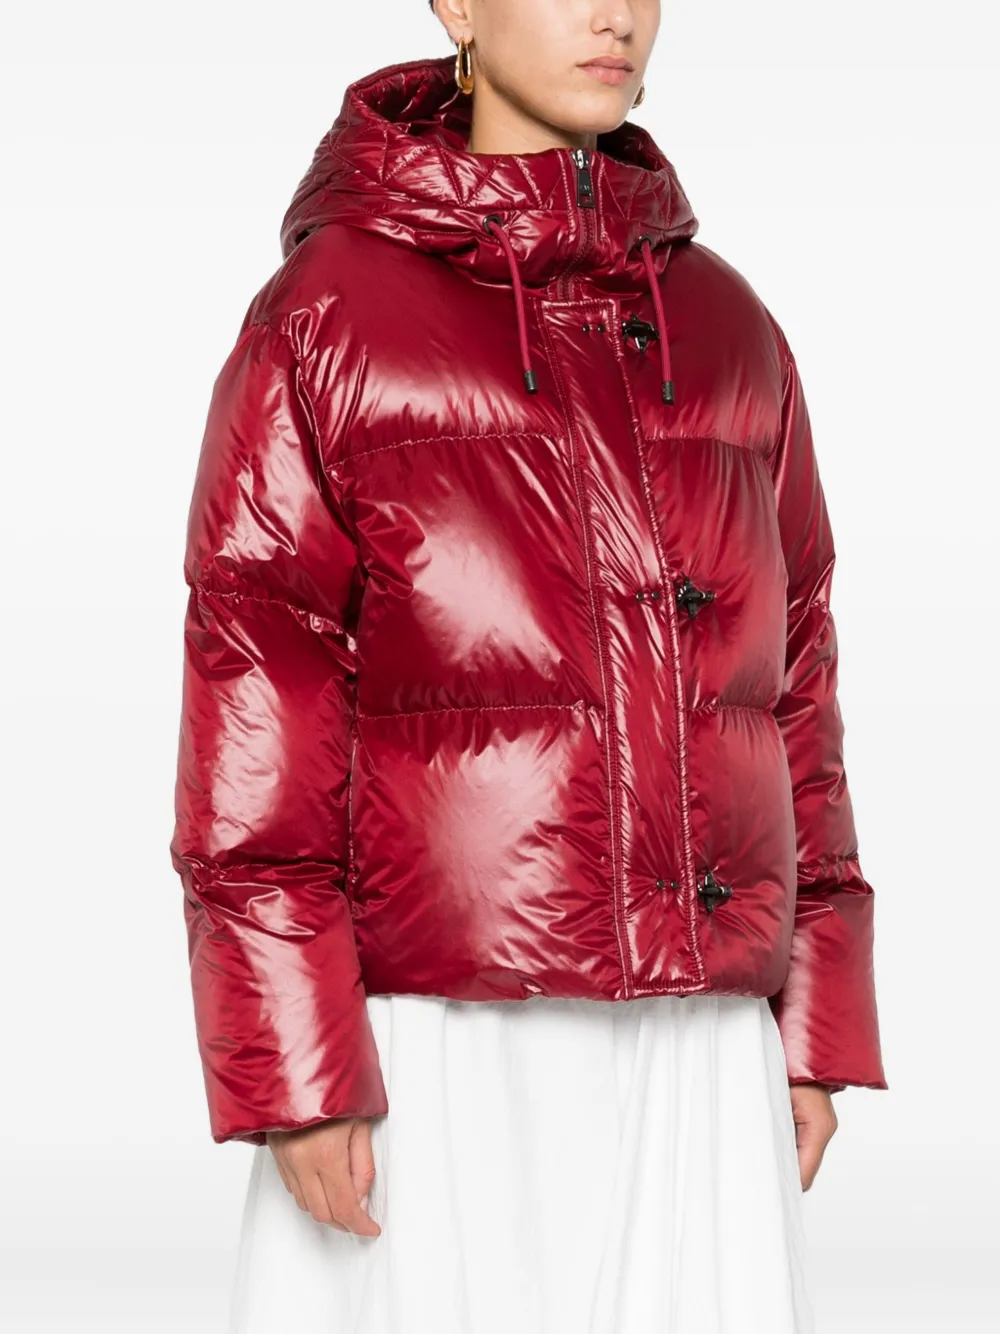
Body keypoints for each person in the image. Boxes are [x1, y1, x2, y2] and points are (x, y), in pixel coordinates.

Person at [169, 2, 887, 1330]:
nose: (615, 14)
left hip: (700, 1036)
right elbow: (258, 692)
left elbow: (797, 679)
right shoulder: (327, 317)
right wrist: (293, 1065)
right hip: (436, 1042)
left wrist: (815, 1018)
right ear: (455, 2)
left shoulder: (728, 323)